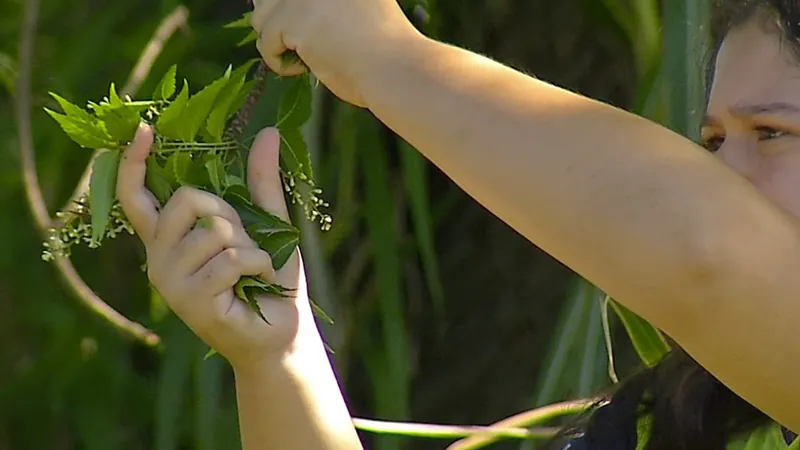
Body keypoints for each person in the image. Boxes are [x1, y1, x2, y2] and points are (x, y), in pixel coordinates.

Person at [115, 0, 800, 448]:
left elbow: (706, 253)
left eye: (771, 133)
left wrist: (384, 55)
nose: (718, 176)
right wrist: (277, 362)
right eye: (711, 143)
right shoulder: (666, 426)